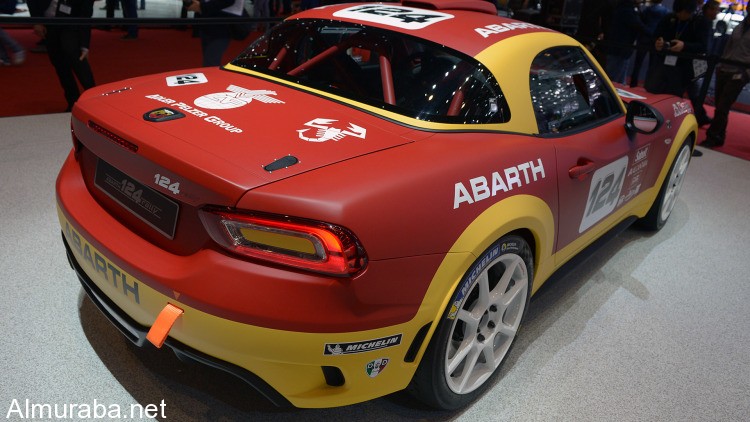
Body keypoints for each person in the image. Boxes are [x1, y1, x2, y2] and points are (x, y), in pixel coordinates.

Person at [33, 0, 96, 111]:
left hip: (71, 25)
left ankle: (96, 101)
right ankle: (73, 102)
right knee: (59, 64)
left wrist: (85, 45)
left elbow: (86, 15)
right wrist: (36, 20)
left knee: (78, 61)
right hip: (49, 25)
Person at [702, 14, 750, 148]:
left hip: (740, 72)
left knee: (723, 106)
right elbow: (729, 46)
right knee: (720, 105)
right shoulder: (740, 26)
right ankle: (719, 136)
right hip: (724, 68)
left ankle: (712, 136)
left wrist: (746, 73)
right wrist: (720, 65)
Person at [646, 0, 710, 99]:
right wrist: (658, 42)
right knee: (653, 90)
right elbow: (656, 35)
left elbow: (703, 46)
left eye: (683, 13)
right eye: (678, 12)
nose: (680, 15)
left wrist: (684, 46)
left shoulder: (701, 22)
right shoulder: (669, 18)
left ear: (690, 11)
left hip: (685, 67)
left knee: (675, 96)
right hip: (663, 62)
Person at [186, 0, 244, 67]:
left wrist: (201, 7)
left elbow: (227, 1)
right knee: (208, 60)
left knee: (210, 62)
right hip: (209, 23)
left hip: (222, 26)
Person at [605, 0, 647, 84]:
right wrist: (653, 35)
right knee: (613, 79)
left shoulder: (627, 7)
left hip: (622, 48)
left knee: (618, 78)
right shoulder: (626, 9)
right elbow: (638, 25)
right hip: (619, 49)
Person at [630, 0, 669, 87]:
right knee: (652, 64)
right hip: (656, 40)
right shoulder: (665, 11)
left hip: (644, 38)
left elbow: (642, 22)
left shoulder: (647, 10)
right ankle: (648, 83)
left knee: (638, 63)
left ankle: (633, 83)